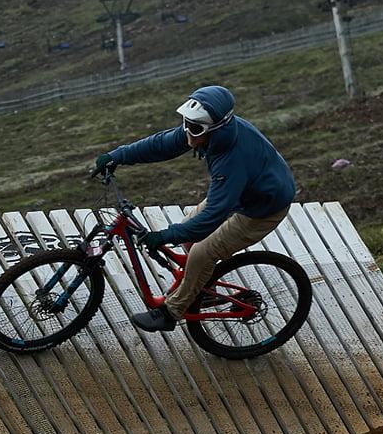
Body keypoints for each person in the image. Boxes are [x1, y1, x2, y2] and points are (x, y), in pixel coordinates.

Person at [91, 83, 296, 333]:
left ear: (215, 129)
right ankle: (205, 292)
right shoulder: (205, 130)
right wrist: (117, 155)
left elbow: (213, 216)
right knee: (190, 230)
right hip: (242, 193)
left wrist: (166, 235)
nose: (188, 133)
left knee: (201, 252)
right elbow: (162, 144)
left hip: (263, 208)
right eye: (186, 123)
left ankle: (170, 313)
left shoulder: (231, 160)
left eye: (195, 127)